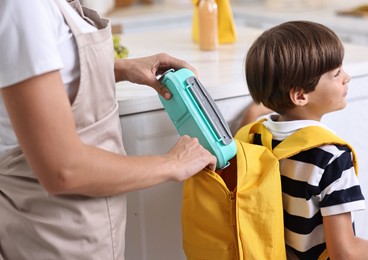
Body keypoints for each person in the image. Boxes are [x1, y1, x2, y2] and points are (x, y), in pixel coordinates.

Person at [0, 0, 216, 259]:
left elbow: (45, 64)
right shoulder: (22, 7)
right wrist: (172, 163)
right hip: (54, 230)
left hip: (87, 222)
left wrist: (123, 68)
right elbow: (62, 169)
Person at [243, 20, 368, 259]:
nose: (347, 77)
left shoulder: (254, 137)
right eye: (336, 73)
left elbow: (251, 116)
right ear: (300, 95)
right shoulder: (332, 159)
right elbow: (346, 253)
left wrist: (269, 97)